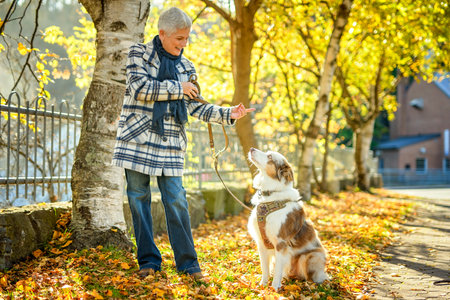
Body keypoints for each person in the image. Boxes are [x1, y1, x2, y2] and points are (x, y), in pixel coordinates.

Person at [111, 7, 254, 280]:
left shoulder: (187, 67)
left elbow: (195, 106)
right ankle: (149, 262)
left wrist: (228, 114)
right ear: (162, 33)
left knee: (176, 199)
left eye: (187, 38)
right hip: (137, 139)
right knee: (138, 199)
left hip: (171, 144)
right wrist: (178, 87)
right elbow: (139, 89)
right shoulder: (138, 54)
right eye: (179, 38)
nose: (184, 44)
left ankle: (189, 265)